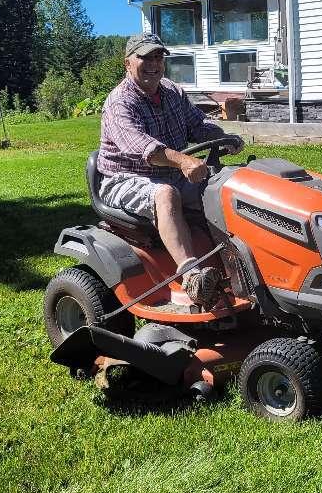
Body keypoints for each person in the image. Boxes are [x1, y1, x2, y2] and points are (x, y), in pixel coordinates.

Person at [97, 33, 243, 306]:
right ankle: (192, 276)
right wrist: (184, 161)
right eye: (144, 57)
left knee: (224, 187)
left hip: (171, 173)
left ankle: (238, 262)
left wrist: (225, 137)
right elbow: (145, 149)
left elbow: (198, 125)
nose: (153, 63)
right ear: (128, 63)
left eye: (158, 57)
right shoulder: (120, 102)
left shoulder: (172, 92)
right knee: (165, 194)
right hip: (124, 178)